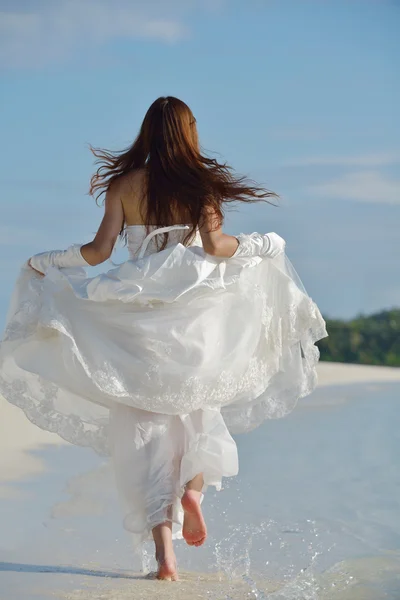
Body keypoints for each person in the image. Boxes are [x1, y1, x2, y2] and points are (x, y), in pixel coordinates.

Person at [0, 96, 327, 581]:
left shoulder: (125, 185)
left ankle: (164, 559)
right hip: (195, 319)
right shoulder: (201, 187)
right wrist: (265, 245)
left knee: (145, 435)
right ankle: (192, 491)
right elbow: (216, 248)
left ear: (147, 133)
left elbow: (97, 253)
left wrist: (48, 261)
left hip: (136, 320)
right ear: (189, 133)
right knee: (200, 410)